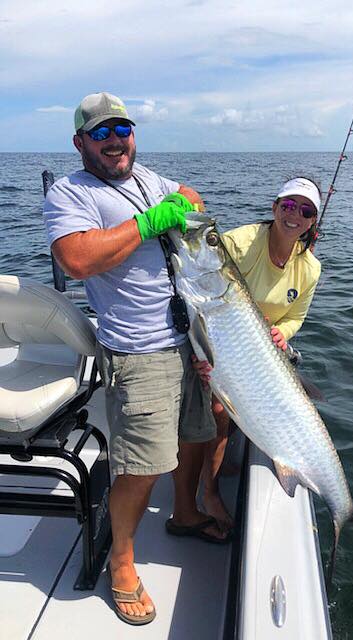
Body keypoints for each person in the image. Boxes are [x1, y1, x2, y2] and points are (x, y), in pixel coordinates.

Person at [43, 92, 227, 626]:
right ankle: (121, 562)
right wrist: (149, 224)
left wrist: (180, 206)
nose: (115, 140)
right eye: (100, 133)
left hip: (189, 336)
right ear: (80, 142)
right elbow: (76, 258)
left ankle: (186, 512)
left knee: (197, 434)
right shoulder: (70, 191)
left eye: (121, 129)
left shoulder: (145, 177)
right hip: (140, 350)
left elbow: (190, 196)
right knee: (142, 468)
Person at [199, 177, 322, 531]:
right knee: (220, 407)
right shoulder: (240, 242)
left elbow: (296, 316)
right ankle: (209, 489)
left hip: (262, 351)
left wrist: (281, 334)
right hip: (221, 339)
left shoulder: (310, 268)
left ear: (312, 220)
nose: (293, 215)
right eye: (287, 205)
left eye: (305, 210)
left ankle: (229, 459)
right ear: (274, 208)